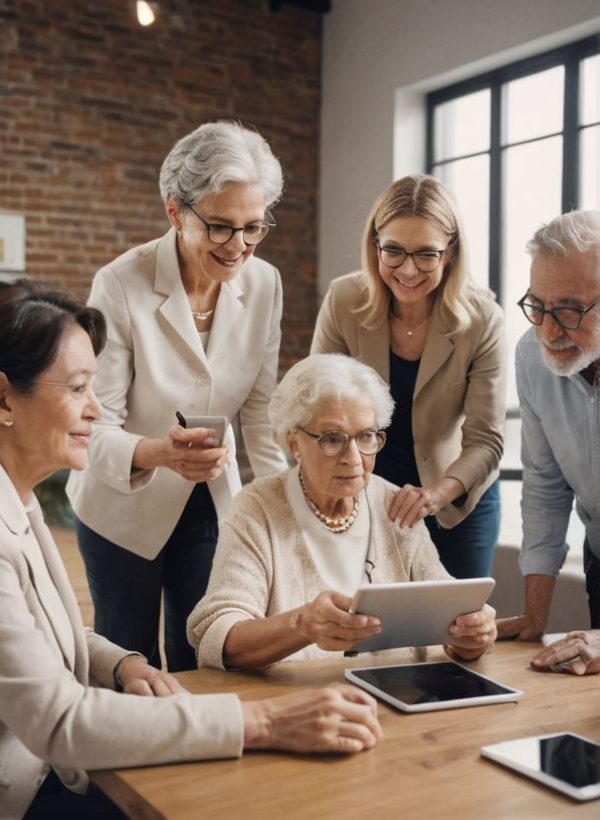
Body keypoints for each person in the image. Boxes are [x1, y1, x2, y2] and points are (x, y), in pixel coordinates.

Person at [0, 280, 382, 819]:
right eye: (78, 388)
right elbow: (63, 723)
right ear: (3, 399)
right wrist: (265, 723)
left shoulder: (16, 498)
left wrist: (122, 664)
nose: (95, 411)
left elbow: (40, 630)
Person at [66, 120, 289, 672]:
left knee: (206, 656)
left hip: (212, 502)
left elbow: (261, 414)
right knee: (130, 659)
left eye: (253, 227)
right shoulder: (120, 283)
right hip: (120, 505)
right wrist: (159, 453)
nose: (238, 247)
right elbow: (93, 425)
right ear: (174, 211)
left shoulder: (265, 284)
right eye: (219, 227)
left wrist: (283, 505)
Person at [187, 354, 497, 669]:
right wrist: (302, 625)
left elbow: (449, 616)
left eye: (366, 437)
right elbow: (218, 637)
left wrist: (471, 637)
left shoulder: (394, 503)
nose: (353, 457)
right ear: (294, 443)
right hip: (295, 705)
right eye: (332, 439)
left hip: (398, 700)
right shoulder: (257, 508)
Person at [310, 174, 506, 579]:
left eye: (427, 254)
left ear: (450, 252)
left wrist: (436, 493)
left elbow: (486, 439)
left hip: (454, 498)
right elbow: (315, 403)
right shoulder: (344, 301)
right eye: (394, 251)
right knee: (366, 629)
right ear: (374, 245)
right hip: (361, 492)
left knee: (460, 630)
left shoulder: (483, 319)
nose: (409, 270)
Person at [497, 211, 600, 672]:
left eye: (569, 309)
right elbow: (544, 487)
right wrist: (535, 617)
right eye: (537, 306)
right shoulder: (532, 356)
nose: (549, 331)